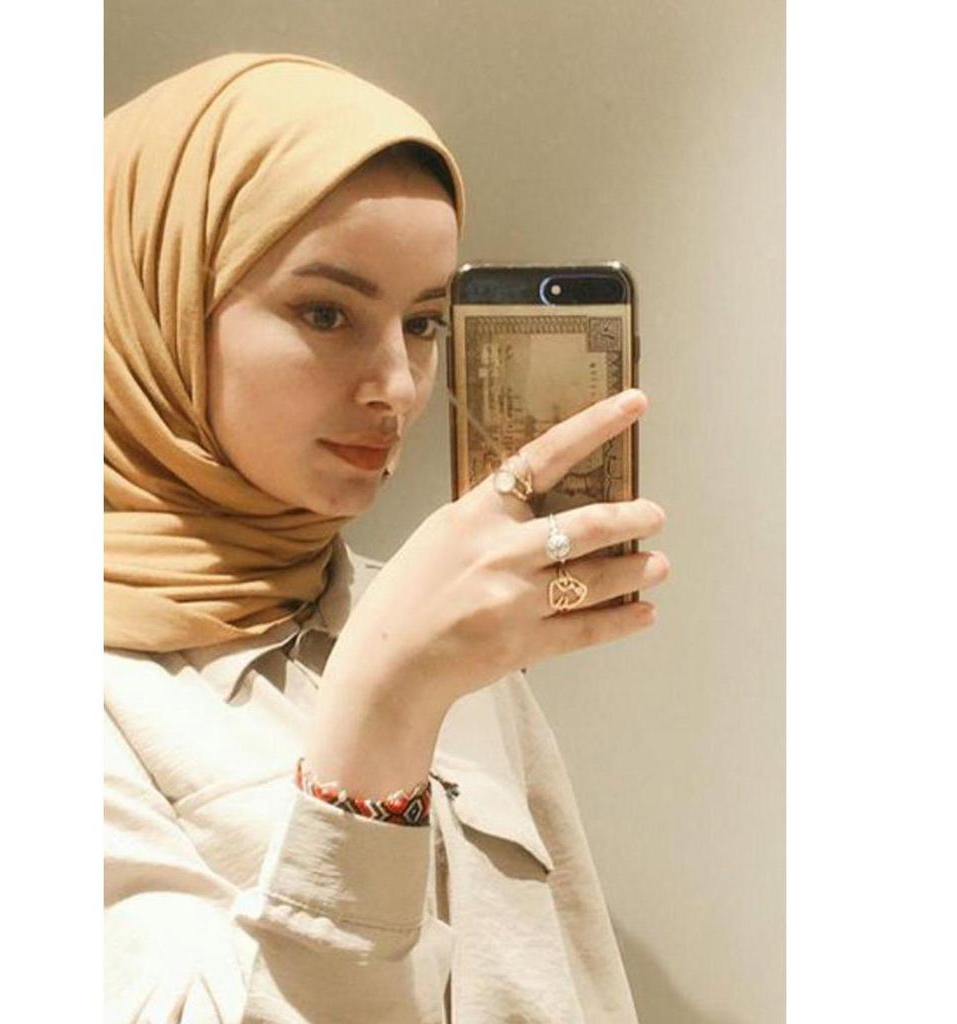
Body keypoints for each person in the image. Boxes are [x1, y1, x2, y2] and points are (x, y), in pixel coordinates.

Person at [104, 52, 670, 1024]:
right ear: (155, 303)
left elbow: (573, 972)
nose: (398, 387)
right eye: (325, 312)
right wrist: (379, 714)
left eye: (423, 324)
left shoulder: (432, 618)